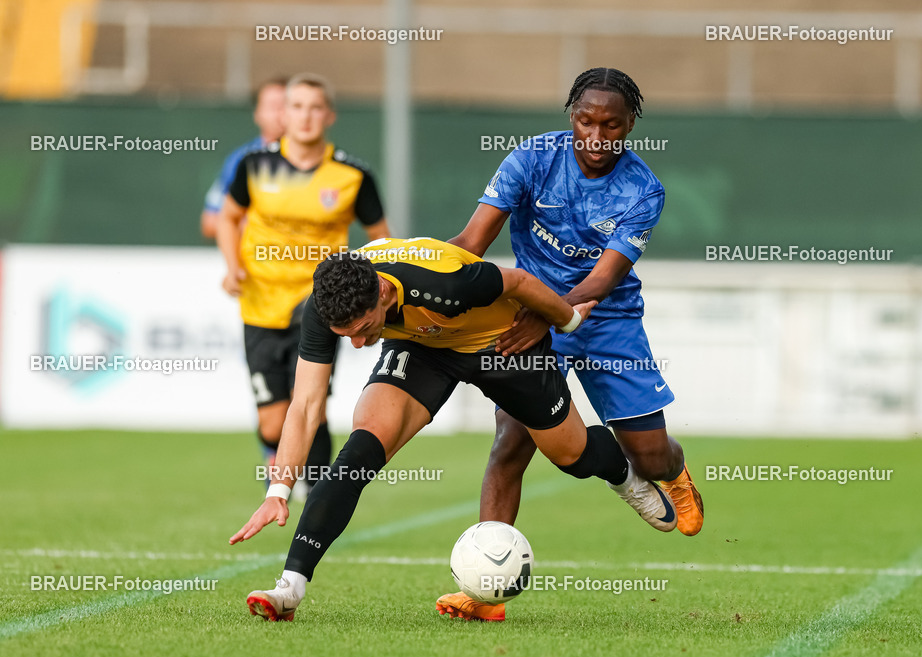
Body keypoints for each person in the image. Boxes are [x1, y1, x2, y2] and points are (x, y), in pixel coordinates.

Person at [228, 237, 684, 622]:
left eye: (364, 330)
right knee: (358, 454)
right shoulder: (329, 302)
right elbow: (305, 405)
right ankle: (290, 587)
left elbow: (521, 283)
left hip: (502, 342)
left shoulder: (447, 281)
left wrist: (568, 321)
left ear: (384, 292)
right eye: (344, 334)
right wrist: (278, 491)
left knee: (573, 456)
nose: (358, 344)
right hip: (423, 348)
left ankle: (625, 477)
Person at [438, 67, 704, 619]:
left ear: (631, 125)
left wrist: (551, 317)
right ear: (571, 117)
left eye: (612, 125)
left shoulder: (642, 188)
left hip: (609, 321)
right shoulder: (531, 159)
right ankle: (484, 591)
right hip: (530, 314)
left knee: (648, 454)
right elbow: (470, 241)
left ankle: (674, 475)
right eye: (586, 120)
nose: (597, 136)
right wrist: (425, 276)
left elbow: (604, 279)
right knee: (511, 443)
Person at [216, 73, 389, 493]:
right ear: (283, 113)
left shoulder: (352, 174)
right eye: (296, 106)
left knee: (310, 404)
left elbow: (381, 239)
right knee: (273, 420)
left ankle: (314, 494)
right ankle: (279, 469)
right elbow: (228, 216)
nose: (305, 116)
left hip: (319, 305)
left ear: (328, 115)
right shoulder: (254, 165)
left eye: (315, 107)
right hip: (260, 304)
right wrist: (231, 264)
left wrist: (375, 288)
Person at [200, 77, 287, 239]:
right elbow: (211, 222)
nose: (280, 114)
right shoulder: (242, 160)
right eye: (273, 107)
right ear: (257, 113)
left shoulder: (319, 160)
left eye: (286, 106)